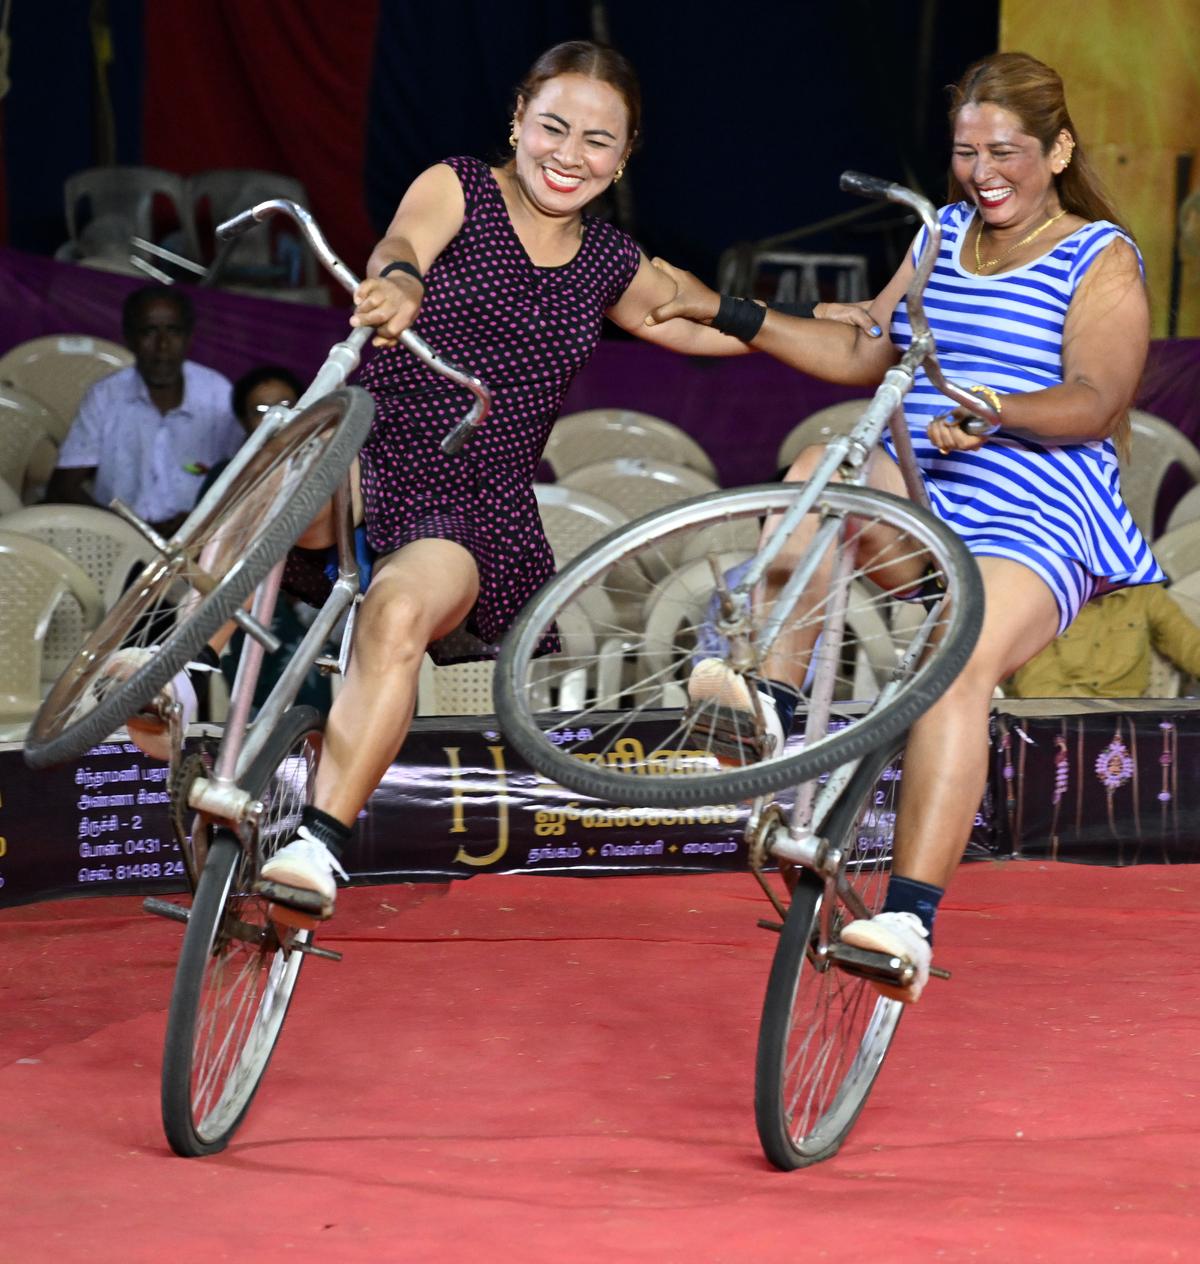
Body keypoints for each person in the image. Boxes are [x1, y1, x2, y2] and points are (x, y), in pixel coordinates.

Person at [649, 51, 1161, 1002]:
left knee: (953, 666)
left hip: (1038, 514)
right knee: (818, 472)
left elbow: (1095, 399)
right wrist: (732, 312)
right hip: (932, 492)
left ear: (1058, 150)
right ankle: (767, 695)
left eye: (1004, 150)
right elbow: (860, 348)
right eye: (965, 152)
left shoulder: (1101, 255)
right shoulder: (944, 232)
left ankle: (907, 920)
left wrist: (996, 406)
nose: (982, 171)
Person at [46, 286, 244, 536]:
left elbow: (247, 482)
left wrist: (200, 521)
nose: (162, 346)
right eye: (149, 331)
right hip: (120, 542)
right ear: (128, 338)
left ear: (189, 337)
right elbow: (62, 488)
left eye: (173, 331)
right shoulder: (105, 396)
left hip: (199, 541)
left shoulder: (217, 394)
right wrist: (131, 531)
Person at [1007, 582, 1200, 697]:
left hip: (1129, 721)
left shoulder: (1144, 592)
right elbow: (1037, 690)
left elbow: (1189, 645)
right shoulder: (1046, 598)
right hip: (1063, 724)